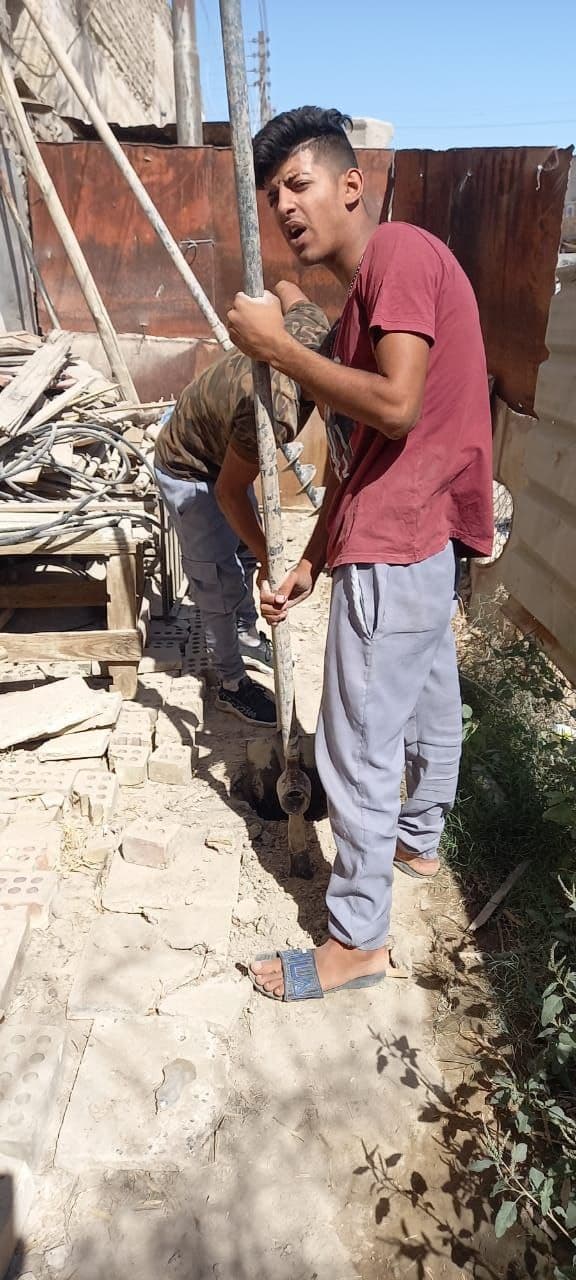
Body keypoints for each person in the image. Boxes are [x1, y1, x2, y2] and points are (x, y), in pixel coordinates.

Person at [226, 107, 493, 1000]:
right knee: (426, 702)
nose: (283, 208)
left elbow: (397, 407)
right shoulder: (356, 319)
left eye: (297, 184)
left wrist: (275, 347)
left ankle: (355, 943)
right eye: (272, 195)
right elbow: (357, 459)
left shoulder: (399, 255)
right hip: (413, 533)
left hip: (400, 538)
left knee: (355, 746)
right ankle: (419, 843)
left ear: (351, 184)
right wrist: (311, 559)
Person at [154, 281, 329, 726]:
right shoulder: (272, 413)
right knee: (218, 579)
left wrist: (267, 307)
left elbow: (289, 287)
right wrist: (271, 556)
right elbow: (227, 493)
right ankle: (231, 684)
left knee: (243, 555)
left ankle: (246, 635)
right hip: (189, 466)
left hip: (221, 451)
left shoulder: (312, 328)